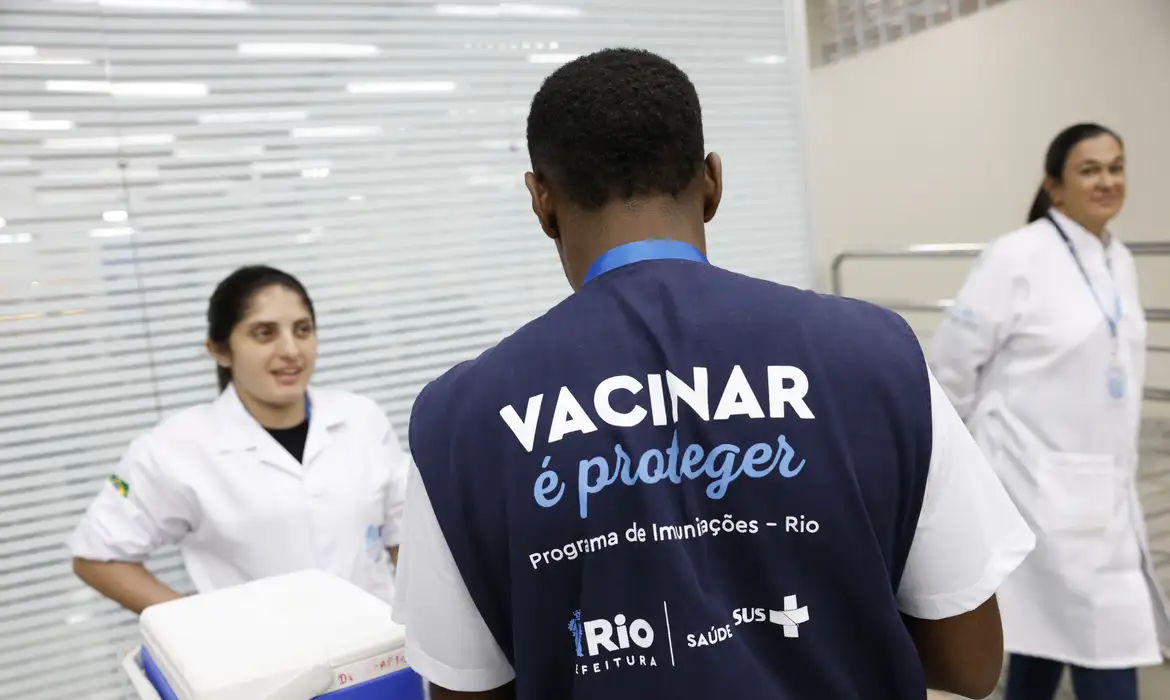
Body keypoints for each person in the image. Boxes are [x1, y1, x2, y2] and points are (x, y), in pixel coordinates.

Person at [392, 48, 1035, 700]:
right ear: (712, 183)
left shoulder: (460, 421)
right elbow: (970, 664)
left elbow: (465, 689)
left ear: (541, 200)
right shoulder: (876, 355)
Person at [930, 123, 1170, 700]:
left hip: (1102, 486)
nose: (1107, 180)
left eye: (1116, 167)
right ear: (1055, 186)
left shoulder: (1117, 258)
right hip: (1032, 482)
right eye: (1090, 170)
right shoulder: (1016, 256)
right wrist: (956, 475)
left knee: (1043, 640)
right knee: (1100, 644)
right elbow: (951, 367)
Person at [70, 265, 409, 613]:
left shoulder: (362, 419)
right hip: (262, 646)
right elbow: (98, 556)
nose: (291, 349)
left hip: (379, 637)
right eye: (264, 333)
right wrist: (194, 625)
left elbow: (405, 536)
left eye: (303, 330)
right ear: (220, 350)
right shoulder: (175, 448)